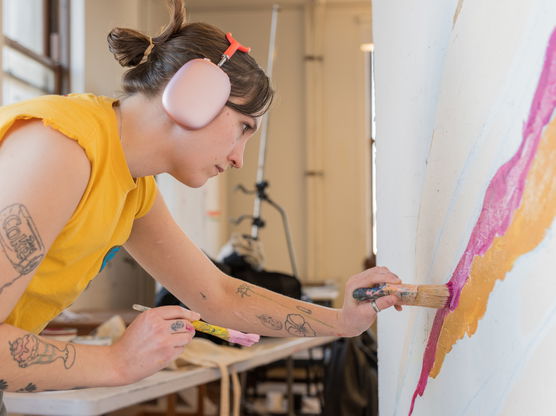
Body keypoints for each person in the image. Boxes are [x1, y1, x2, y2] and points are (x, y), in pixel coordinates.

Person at [0, 0, 401, 409]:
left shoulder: (131, 186)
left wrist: (341, 321)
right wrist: (114, 361)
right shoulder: (63, 149)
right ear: (196, 94)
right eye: (243, 127)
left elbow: (218, 294)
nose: (238, 159)